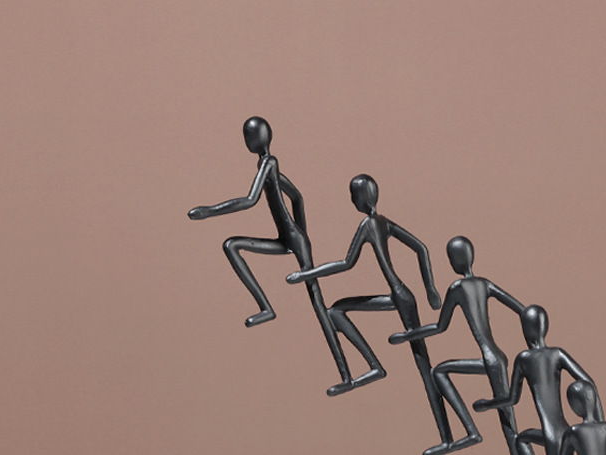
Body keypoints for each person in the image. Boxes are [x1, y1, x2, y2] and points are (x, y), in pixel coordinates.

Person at [286, 174, 452, 443]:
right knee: (336, 311)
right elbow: (421, 248)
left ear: (362, 198)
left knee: (425, 368)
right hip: (401, 296)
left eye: (353, 195)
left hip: (401, 298)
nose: (352, 200)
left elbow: (346, 263)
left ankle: (448, 437)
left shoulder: (368, 224)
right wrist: (429, 289)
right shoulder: (383, 221)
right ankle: (375, 367)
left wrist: (306, 274)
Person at [188, 117, 351, 384]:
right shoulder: (267, 166)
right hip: (288, 239)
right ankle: (266, 308)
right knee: (231, 245)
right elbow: (297, 197)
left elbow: (250, 200)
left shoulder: (269, 163)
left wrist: (209, 211)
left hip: (294, 240)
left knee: (318, 304)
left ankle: (347, 376)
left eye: (249, 136)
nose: (247, 140)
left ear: (259, 139)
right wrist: (300, 233)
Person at [389, 236, 525, 455]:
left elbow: (440, 327)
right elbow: (523, 310)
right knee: (509, 425)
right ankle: (471, 432)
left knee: (440, 372)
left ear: (453, 261)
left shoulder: (457, 288)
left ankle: (471, 432)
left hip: (489, 360)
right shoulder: (484, 283)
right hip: (498, 357)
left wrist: (407, 335)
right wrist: (535, 340)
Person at [474, 305, 603, 455]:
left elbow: (512, 399)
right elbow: (589, 383)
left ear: (525, 329)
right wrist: (599, 424)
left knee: (521, 440)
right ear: (545, 327)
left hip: (550, 434)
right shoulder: (557, 354)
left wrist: (487, 404)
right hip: (564, 428)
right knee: (522, 439)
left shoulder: (524, 358)